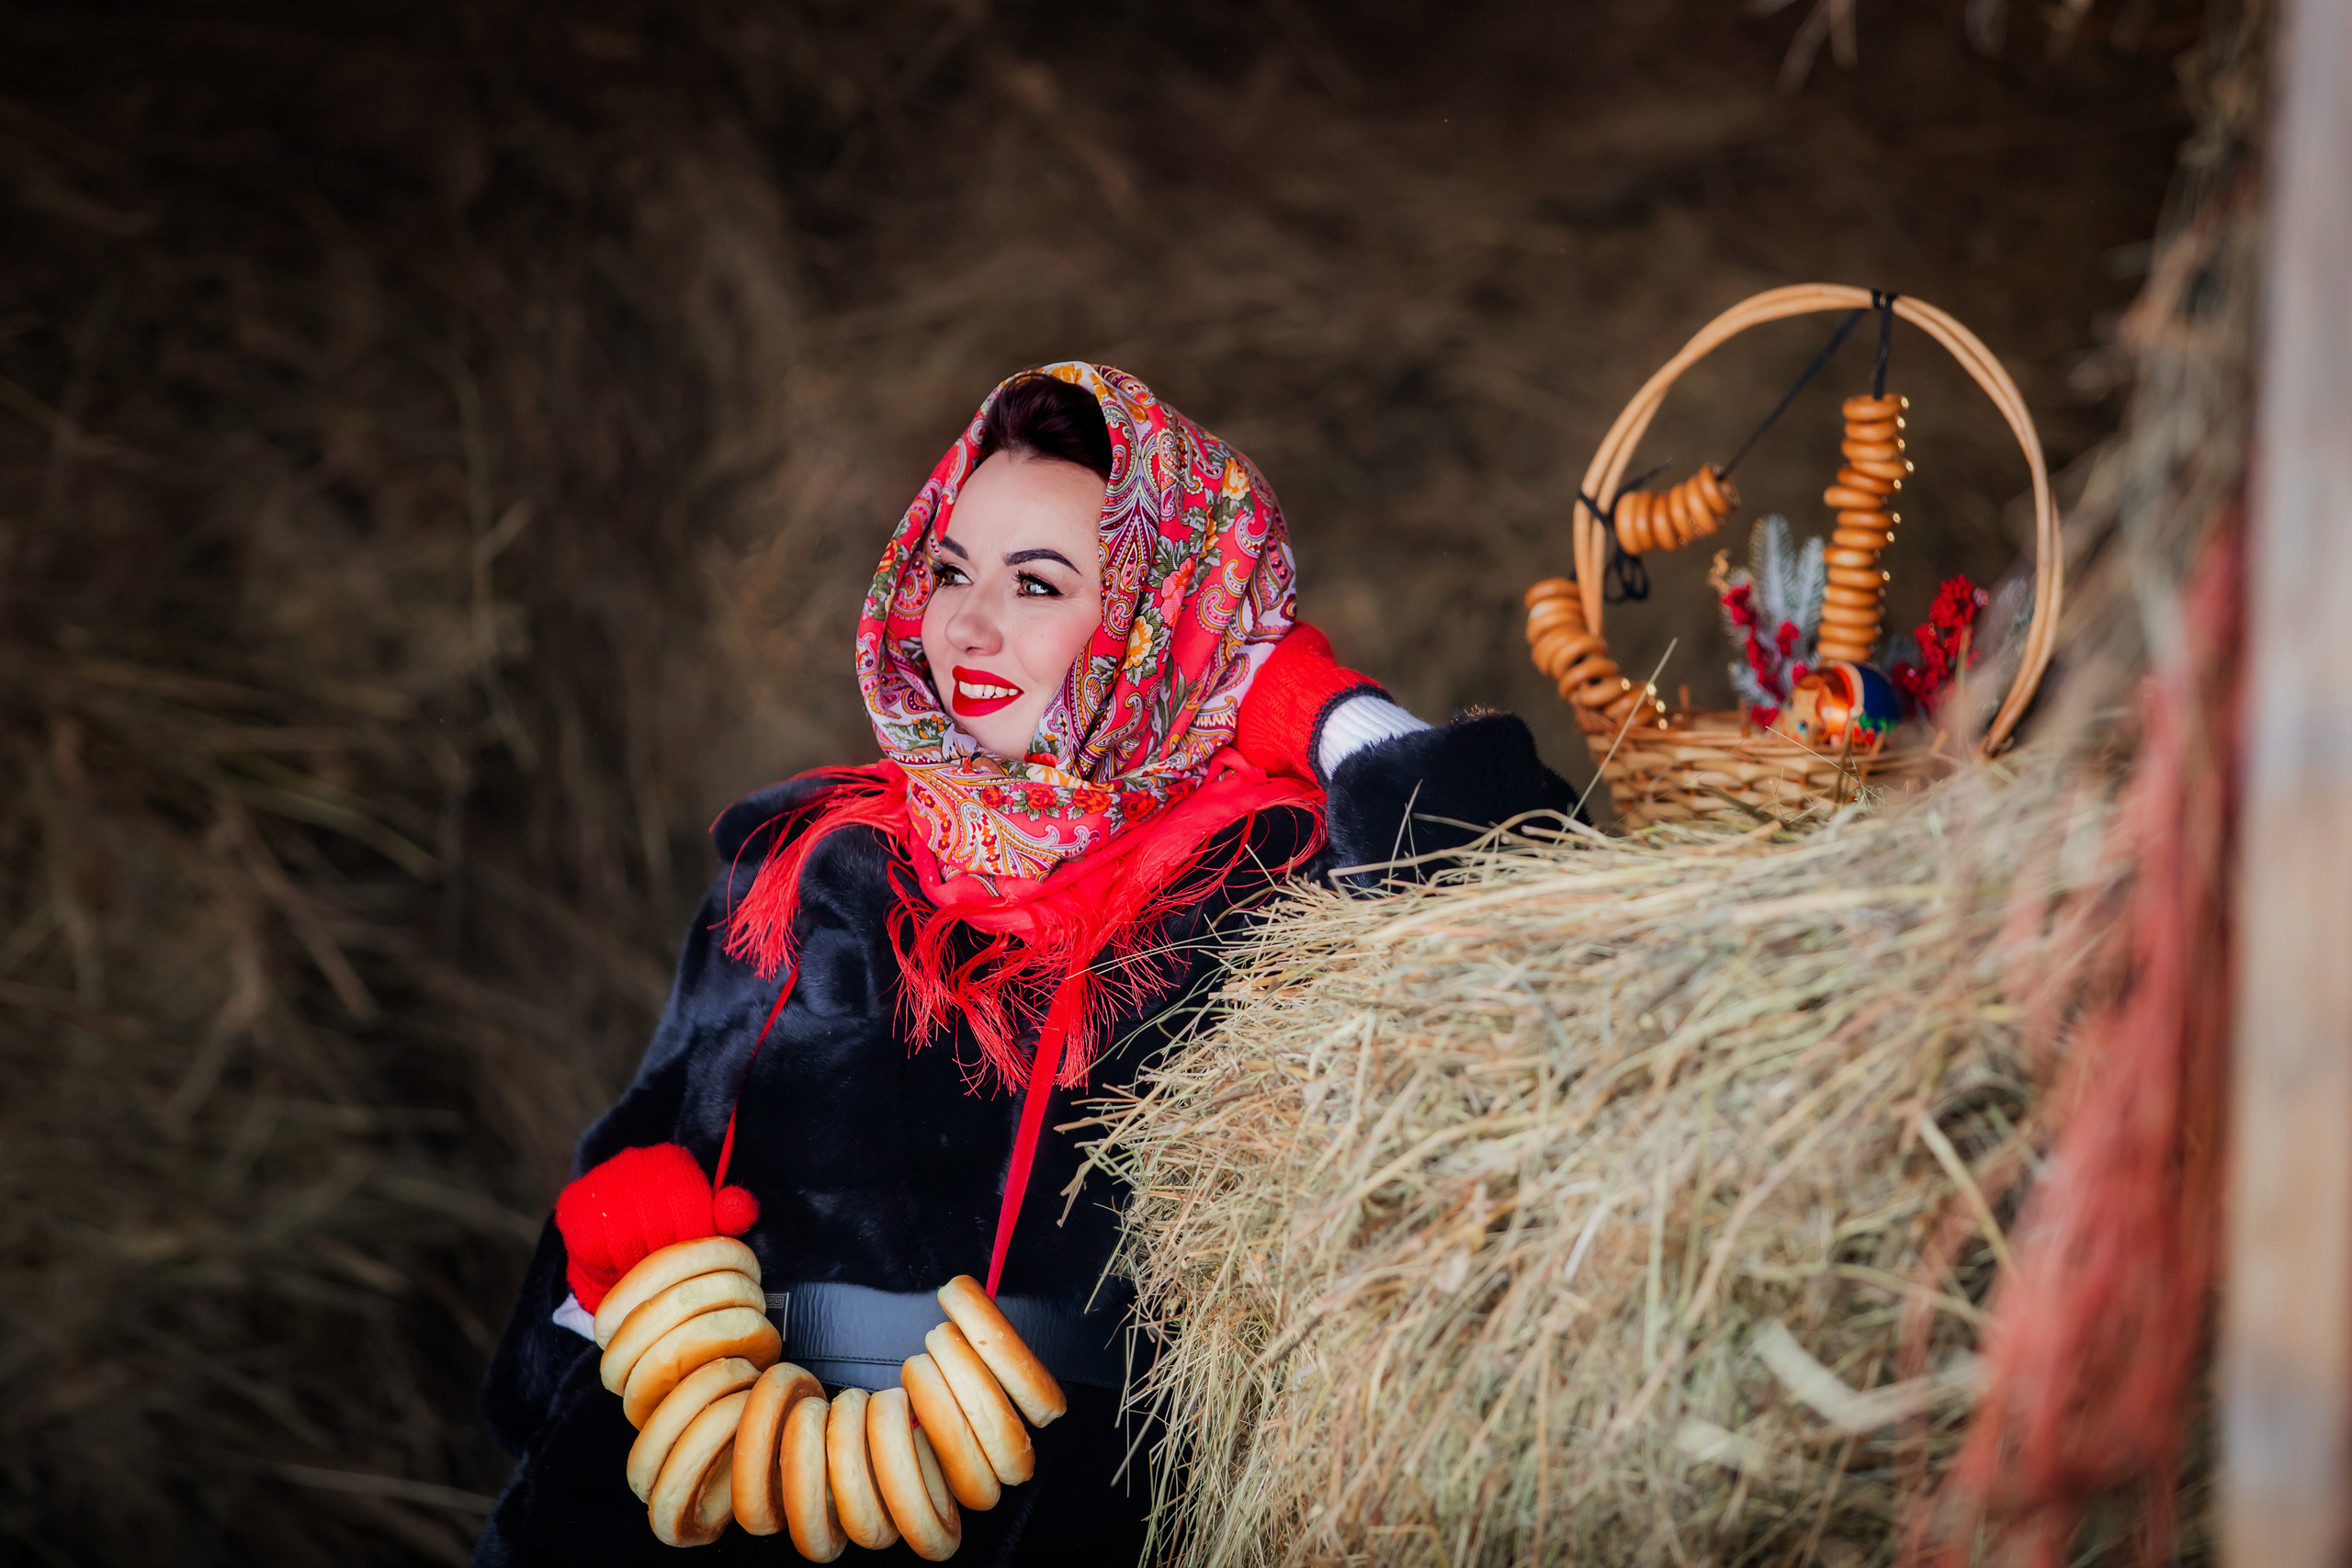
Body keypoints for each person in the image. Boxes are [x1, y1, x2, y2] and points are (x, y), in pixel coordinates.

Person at [474, 364, 1577, 1565]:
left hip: (1065, 1512)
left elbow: (1526, 909)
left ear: (1168, 614)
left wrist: (1310, 705)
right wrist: (616, 1260)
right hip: (715, 1495)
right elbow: (624, 1188)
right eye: (950, 572)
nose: (967, 625)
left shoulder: (1268, 867)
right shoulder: (812, 858)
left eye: (1037, 584)